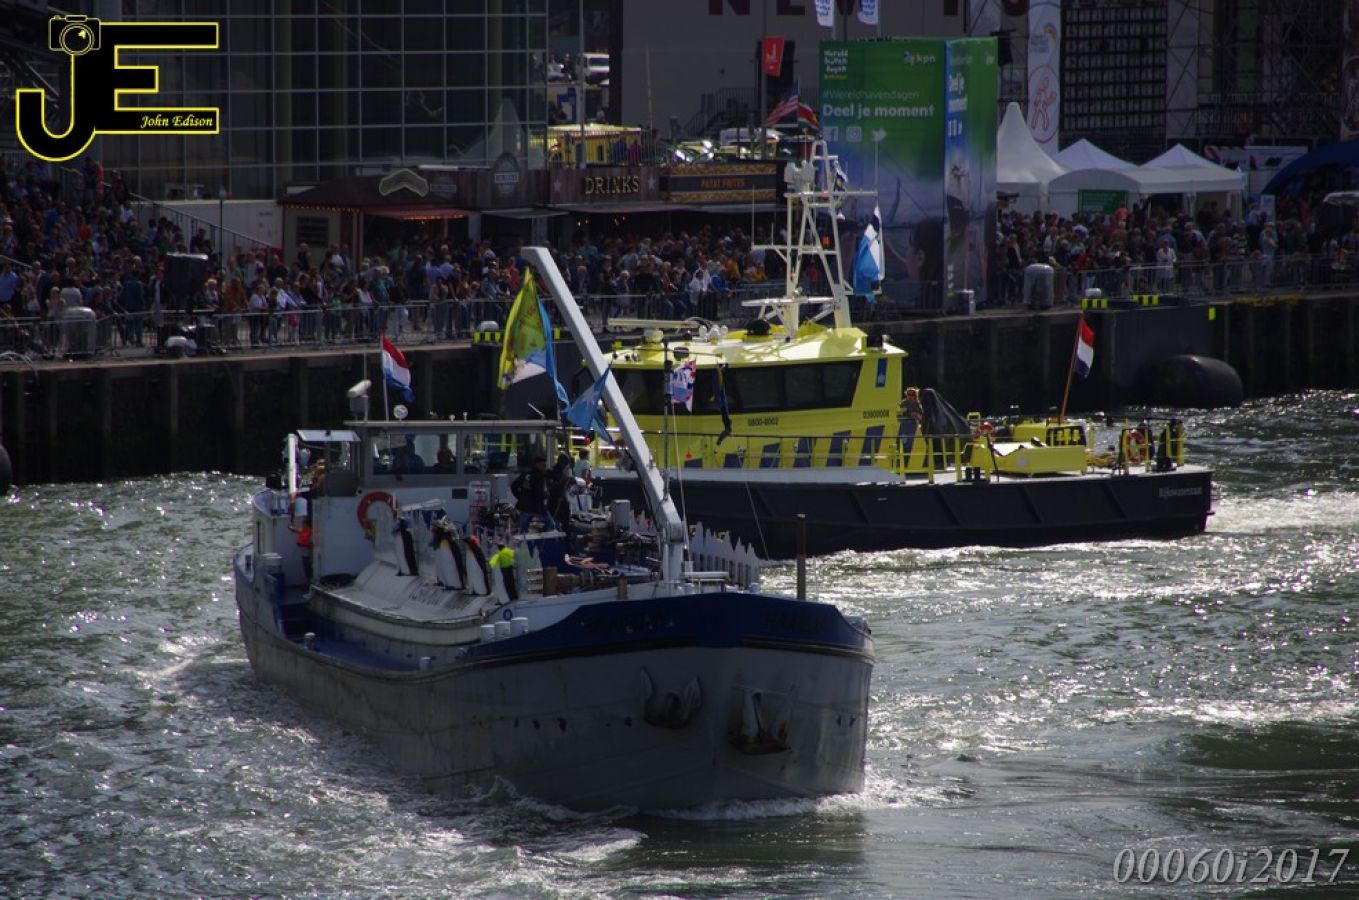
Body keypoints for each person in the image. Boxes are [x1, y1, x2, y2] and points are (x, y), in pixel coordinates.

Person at [511, 456, 556, 533]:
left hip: (525, 507)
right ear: (537, 464)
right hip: (537, 507)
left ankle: (523, 540)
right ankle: (546, 539)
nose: (544, 467)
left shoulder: (525, 474)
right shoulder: (539, 477)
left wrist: (520, 498)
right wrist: (546, 495)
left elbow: (513, 486)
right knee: (551, 524)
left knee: (522, 530)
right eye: (543, 465)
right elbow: (539, 494)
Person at [289, 515, 314, 583]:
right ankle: (308, 580)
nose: (302, 526)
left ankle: (310, 580)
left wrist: (302, 545)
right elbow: (295, 530)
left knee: (308, 567)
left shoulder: (310, 532)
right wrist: (290, 527)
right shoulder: (302, 530)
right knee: (305, 567)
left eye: (304, 524)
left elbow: (311, 544)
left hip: (308, 554)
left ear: (307, 525)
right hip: (303, 553)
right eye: (302, 524)